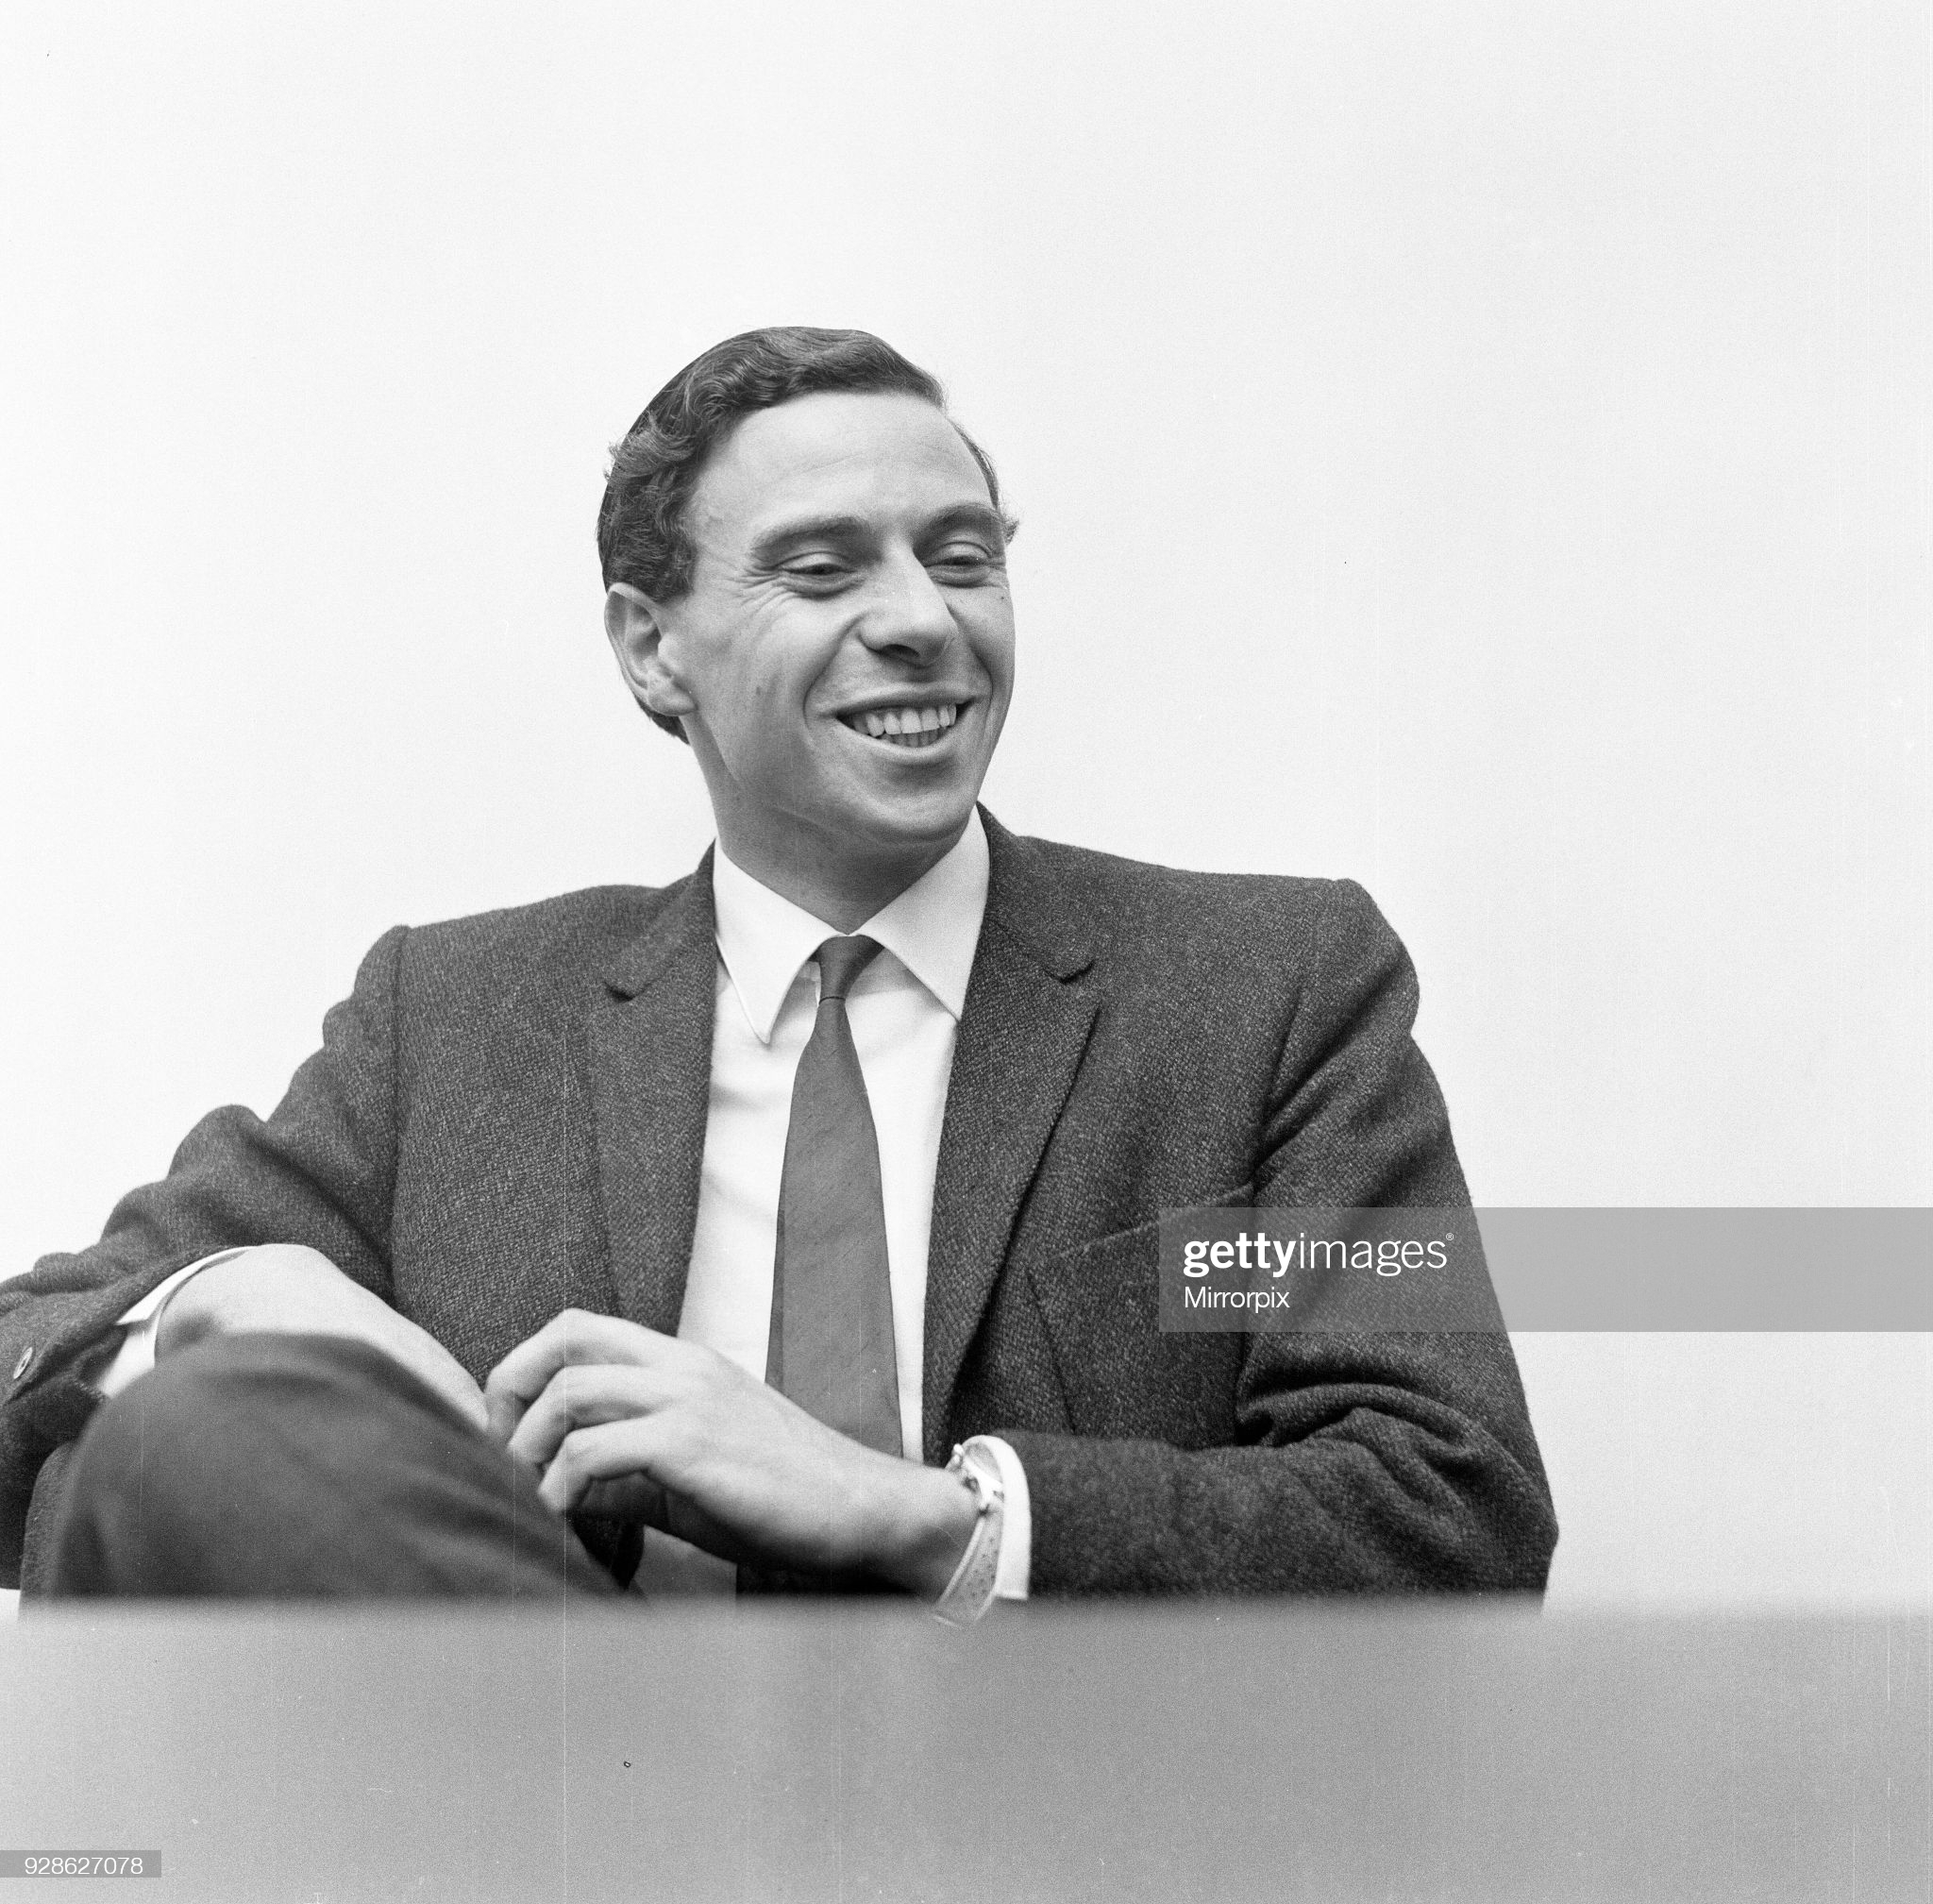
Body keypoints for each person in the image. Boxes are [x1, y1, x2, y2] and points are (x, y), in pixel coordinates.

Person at [0, 328, 1557, 1610]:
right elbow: (29, 1348)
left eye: (963, 558)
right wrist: (230, 1292)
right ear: (651, 648)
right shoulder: (457, 1021)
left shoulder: (1270, 990)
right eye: (822, 572)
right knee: (165, 1439)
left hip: (1055, 1800)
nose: (923, 620)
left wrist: (920, 1511)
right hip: (567, 1780)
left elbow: (1454, 1505)